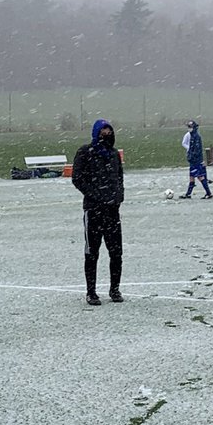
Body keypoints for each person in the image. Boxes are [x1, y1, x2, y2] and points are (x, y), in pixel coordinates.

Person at [72, 119, 125, 306]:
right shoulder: (85, 152)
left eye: (109, 131)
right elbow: (77, 179)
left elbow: (119, 177)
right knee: (92, 252)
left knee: (116, 252)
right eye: (103, 131)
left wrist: (118, 198)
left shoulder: (113, 154)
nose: (107, 134)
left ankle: (115, 289)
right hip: (93, 210)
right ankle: (91, 292)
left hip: (112, 211)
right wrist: (97, 196)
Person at [180, 119, 213, 199]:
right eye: (188, 127)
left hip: (196, 161)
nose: (189, 128)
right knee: (192, 176)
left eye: (191, 127)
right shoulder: (191, 136)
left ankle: (208, 193)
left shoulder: (196, 137)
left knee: (199, 176)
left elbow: (197, 150)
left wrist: (193, 156)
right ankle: (188, 193)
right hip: (193, 160)